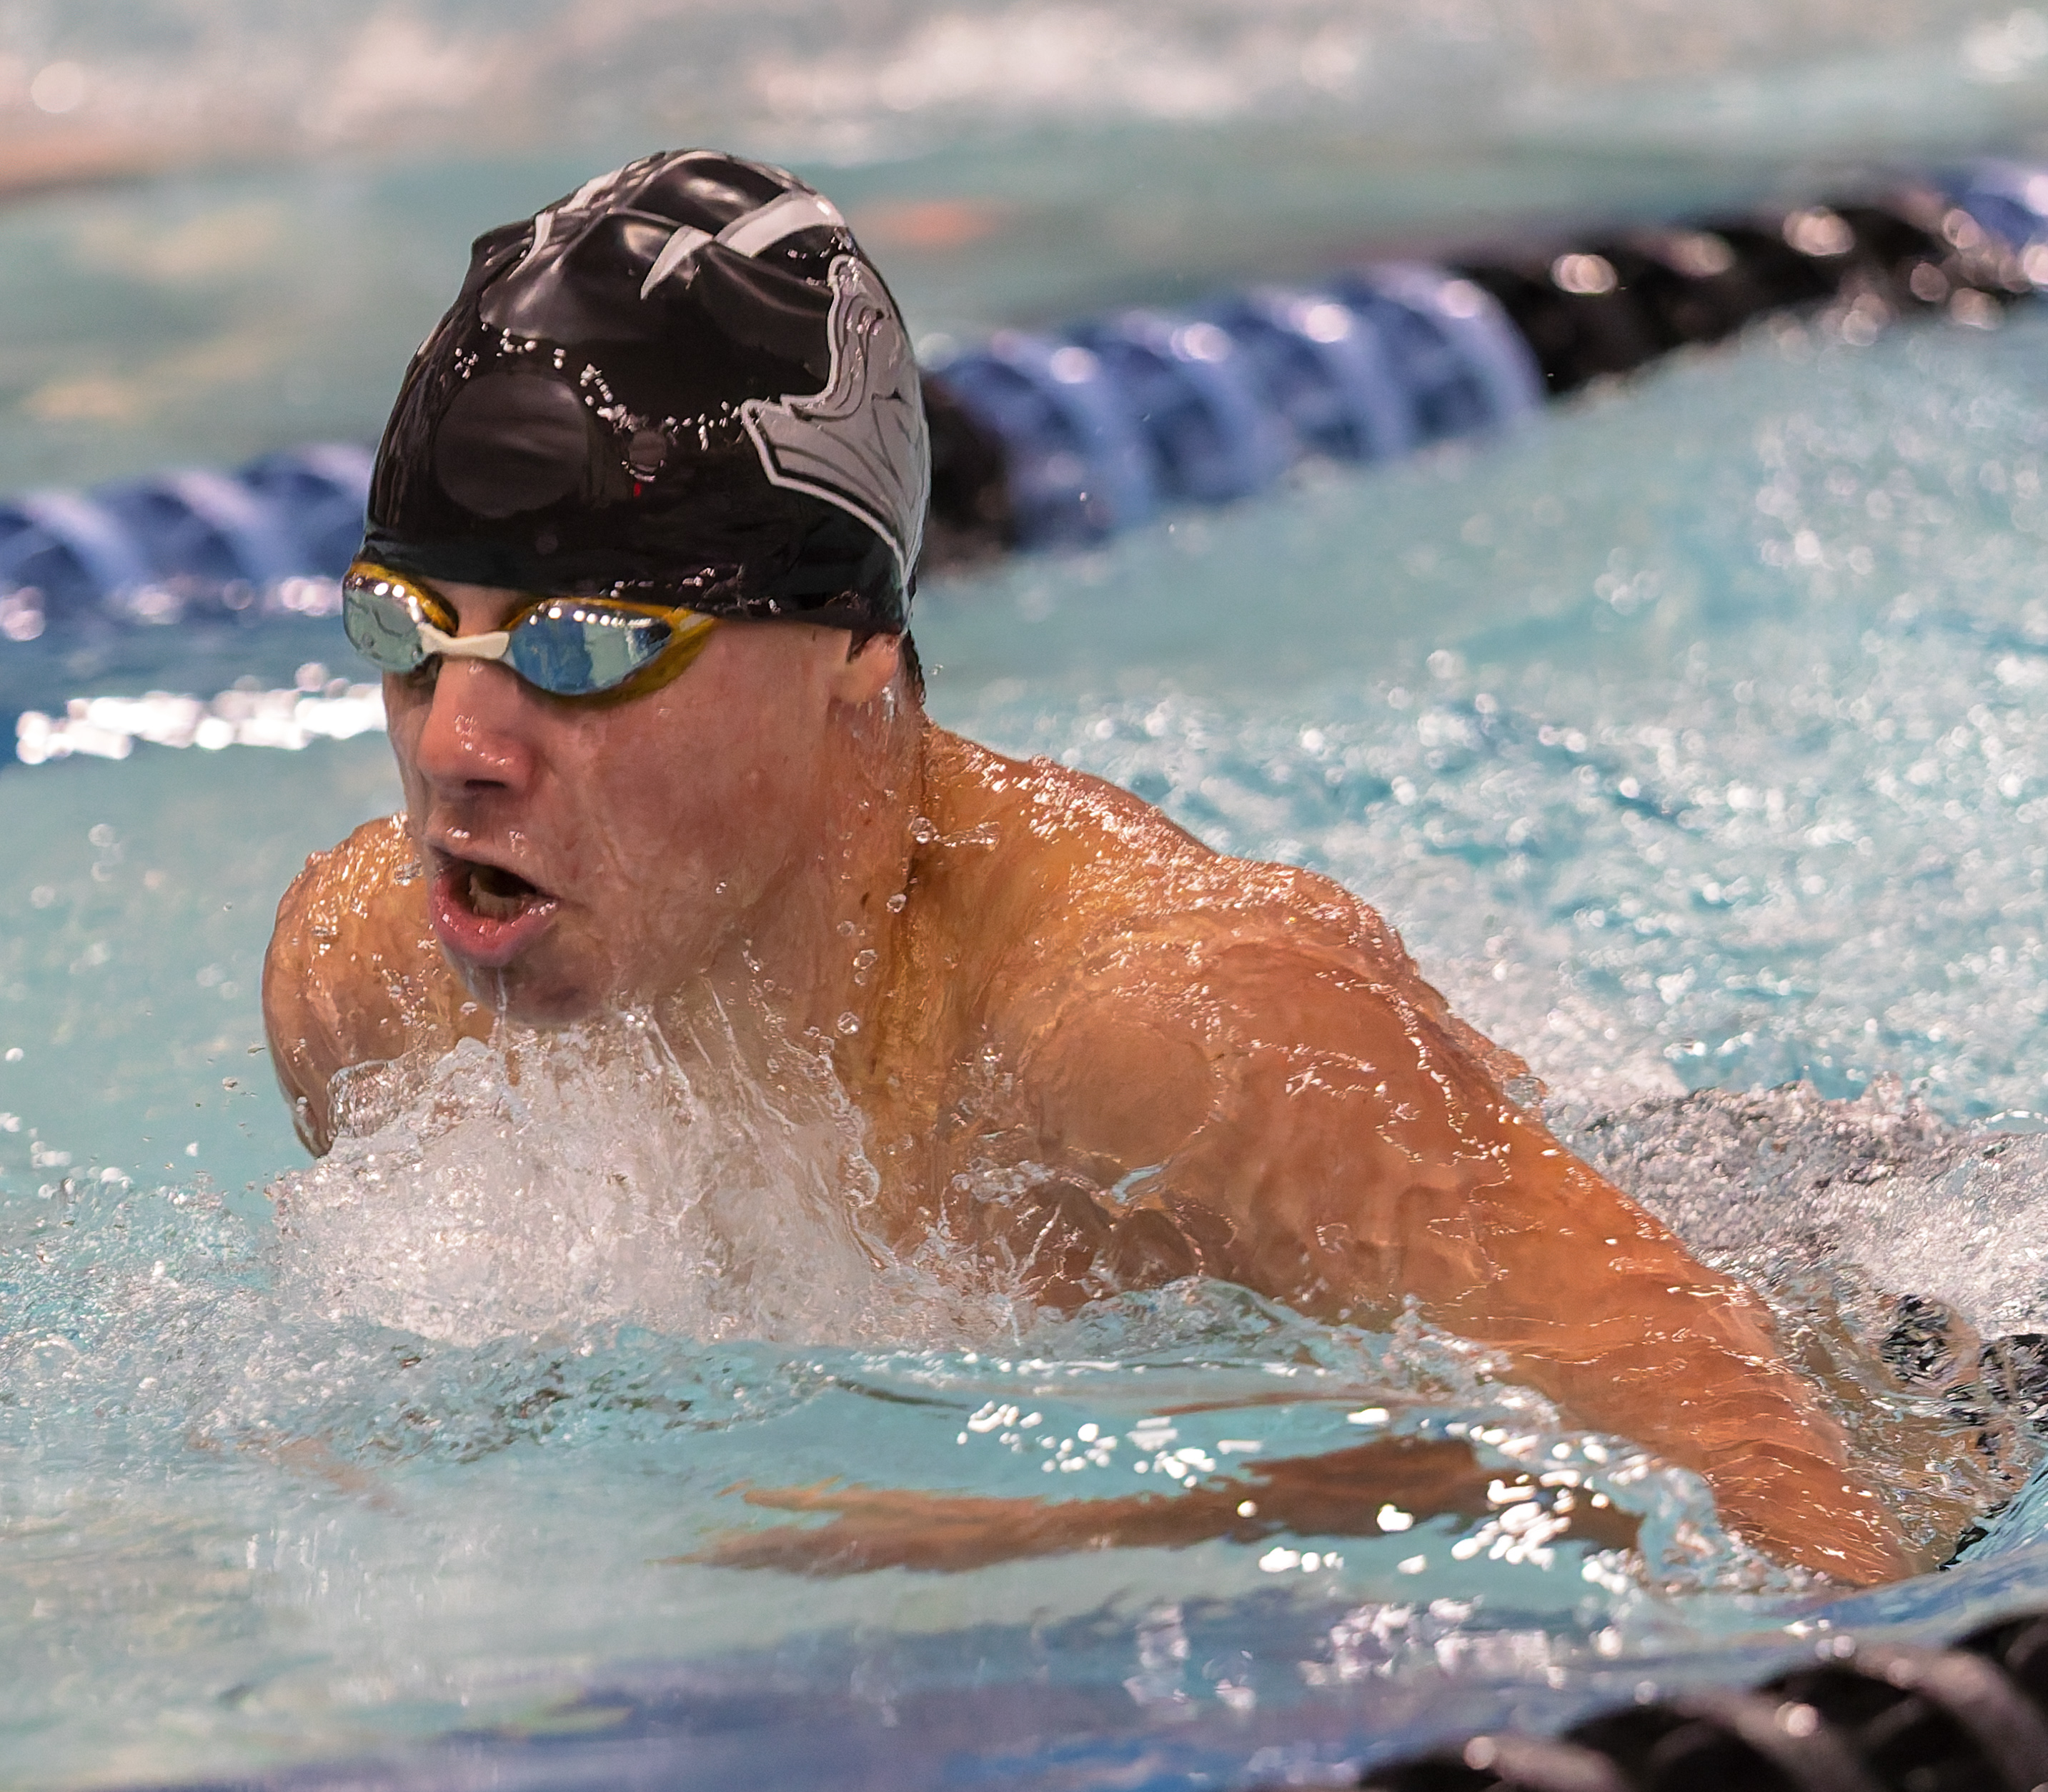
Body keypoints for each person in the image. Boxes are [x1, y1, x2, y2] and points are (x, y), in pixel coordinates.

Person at [264, 150, 1957, 1591]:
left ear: (853, 648)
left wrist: (1080, 1531)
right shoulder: (375, 988)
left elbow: (1805, 1520)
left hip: (1901, 1318)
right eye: (406, 627)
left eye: (583, 644)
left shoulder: (1169, 1026)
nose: (457, 745)